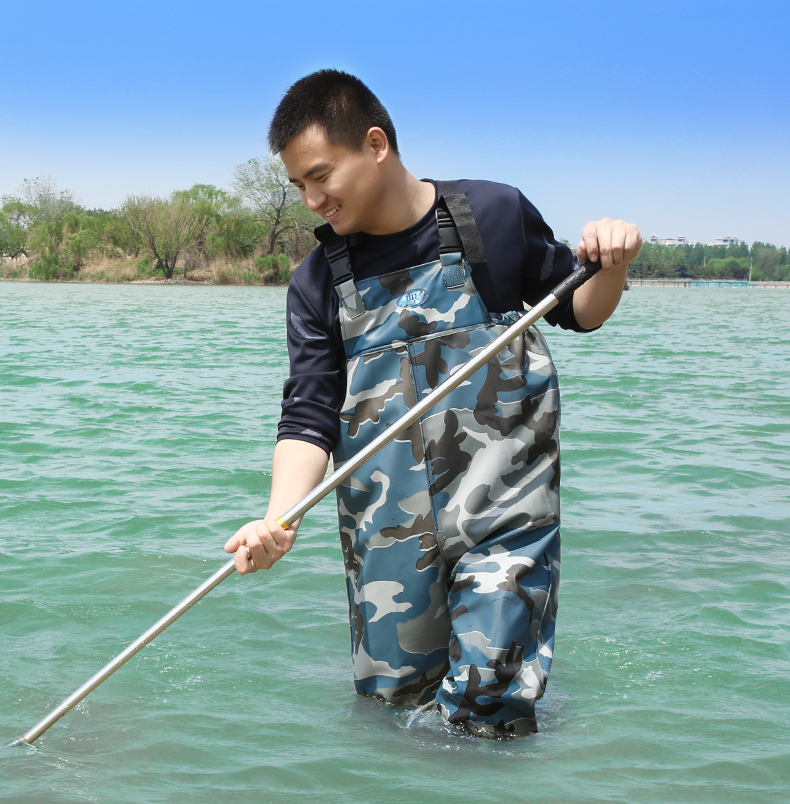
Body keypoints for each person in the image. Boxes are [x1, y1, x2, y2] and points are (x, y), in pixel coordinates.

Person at [224, 69, 641, 739]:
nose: (310, 199)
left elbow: (581, 312)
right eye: (298, 185)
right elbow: (308, 413)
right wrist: (279, 521)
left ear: (376, 144)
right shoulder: (315, 284)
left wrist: (611, 264)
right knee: (395, 724)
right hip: (386, 538)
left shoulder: (492, 216)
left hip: (503, 516)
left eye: (320, 175)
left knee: (489, 703)